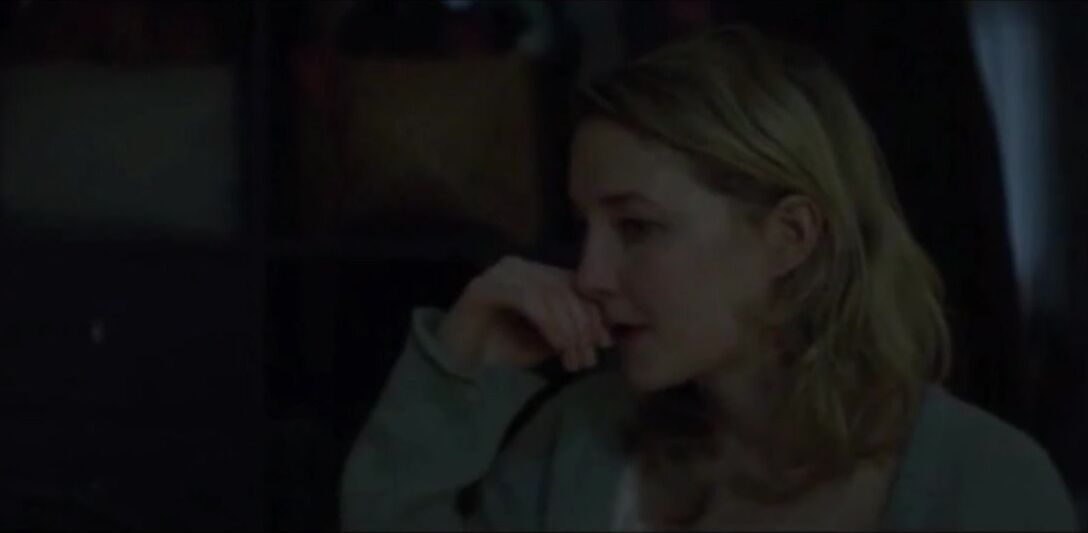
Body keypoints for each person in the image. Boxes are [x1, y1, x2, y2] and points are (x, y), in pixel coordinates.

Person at [339, 25, 1079, 531]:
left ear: (789, 236)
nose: (590, 276)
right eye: (585, 227)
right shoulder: (580, 444)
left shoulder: (984, 481)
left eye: (637, 227)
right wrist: (459, 365)